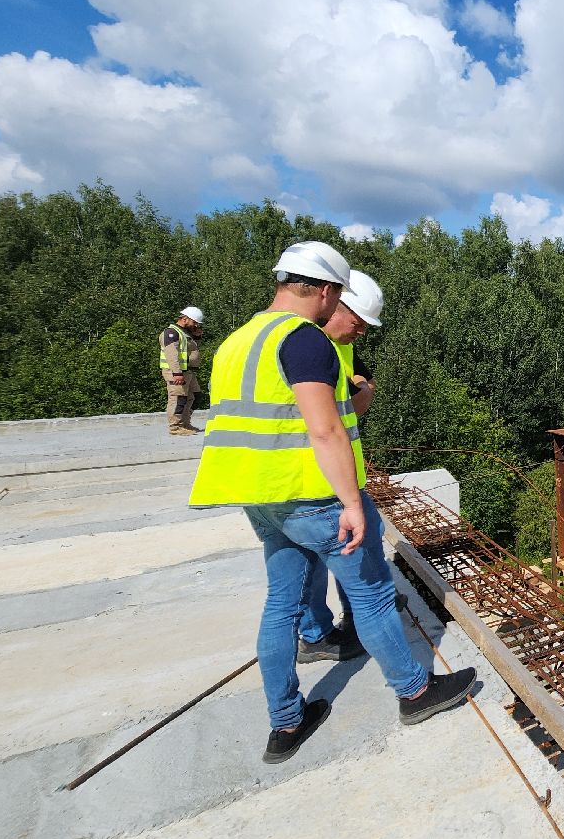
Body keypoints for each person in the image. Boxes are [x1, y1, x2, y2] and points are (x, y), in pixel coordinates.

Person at [190, 241, 474, 763]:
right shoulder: (303, 339)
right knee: (370, 596)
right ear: (324, 289)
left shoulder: (237, 339)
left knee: (281, 605)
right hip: (313, 494)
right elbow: (324, 430)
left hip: (260, 495)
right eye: (338, 294)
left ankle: (286, 723)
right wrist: (350, 499)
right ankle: (414, 692)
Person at [297, 269, 384, 664]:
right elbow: (331, 420)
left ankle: (350, 620)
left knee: (339, 555)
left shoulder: (336, 346)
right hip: (312, 477)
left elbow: (360, 389)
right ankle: (323, 632)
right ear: (335, 303)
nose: (359, 332)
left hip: (335, 473)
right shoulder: (305, 346)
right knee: (317, 563)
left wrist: (361, 390)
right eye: (358, 323)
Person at [160, 307, 205, 435]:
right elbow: (172, 355)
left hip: (187, 371)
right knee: (178, 398)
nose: (196, 325)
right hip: (176, 372)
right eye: (194, 322)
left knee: (195, 396)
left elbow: (190, 351)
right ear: (185, 319)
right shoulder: (171, 333)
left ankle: (185, 423)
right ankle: (175, 427)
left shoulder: (184, 333)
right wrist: (177, 373)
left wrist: (197, 337)